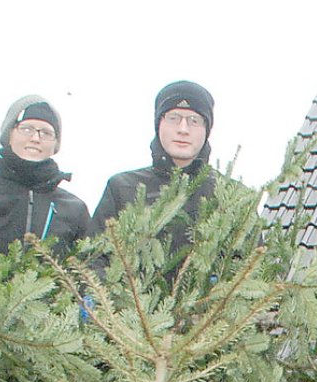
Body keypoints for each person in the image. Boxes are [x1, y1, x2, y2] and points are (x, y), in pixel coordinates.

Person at [90, 80, 238, 254]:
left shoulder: (231, 195)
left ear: (206, 129)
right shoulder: (122, 188)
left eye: (194, 120)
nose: (183, 129)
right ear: (159, 123)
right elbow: (95, 259)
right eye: (173, 118)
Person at [0, 95, 90, 256]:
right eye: (26, 129)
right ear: (9, 134)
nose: (35, 138)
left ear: (56, 143)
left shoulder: (73, 208)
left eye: (46, 133)